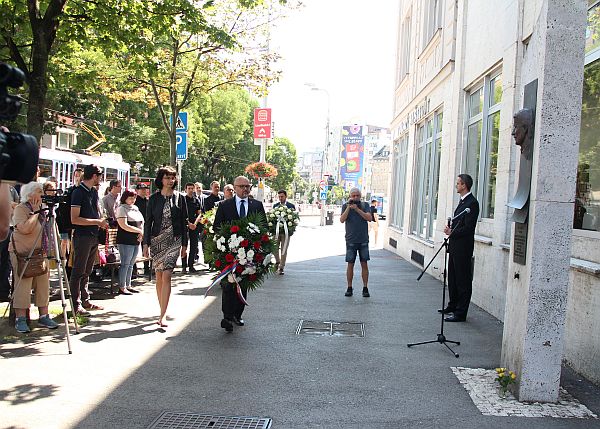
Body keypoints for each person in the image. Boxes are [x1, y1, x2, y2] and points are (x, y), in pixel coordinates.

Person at [213, 176, 266, 332]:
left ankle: (237, 314)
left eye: (247, 186)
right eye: (242, 186)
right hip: (229, 254)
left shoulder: (256, 205)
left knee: (243, 284)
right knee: (228, 285)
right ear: (234, 188)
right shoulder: (225, 205)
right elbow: (217, 227)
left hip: (250, 253)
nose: (245, 189)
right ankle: (227, 317)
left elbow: (263, 227)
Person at [9, 181, 59, 333]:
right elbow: (24, 229)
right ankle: (21, 319)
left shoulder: (44, 209)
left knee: (43, 285)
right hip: (23, 254)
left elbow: (51, 229)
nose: (42, 195)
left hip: (40, 253)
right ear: (29, 195)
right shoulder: (20, 209)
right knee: (23, 285)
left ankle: (44, 316)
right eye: (39, 192)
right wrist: (36, 212)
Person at [143, 166, 188, 327]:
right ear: (161, 179)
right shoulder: (153, 199)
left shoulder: (180, 198)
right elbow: (148, 222)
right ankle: (162, 308)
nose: (170, 180)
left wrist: (184, 244)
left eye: (172, 177)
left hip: (174, 239)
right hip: (157, 240)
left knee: (167, 274)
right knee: (159, 276)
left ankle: (163, 315)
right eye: (167, 177)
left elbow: (184, 222)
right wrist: (146, 243)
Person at [70, 164, 108, 316]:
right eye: (99, 176)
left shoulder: (93, 192)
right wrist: (97, 222)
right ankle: (75, 304)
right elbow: (74, 219)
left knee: (87, 271)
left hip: (93, 236)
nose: (100, 179)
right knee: (78, 271)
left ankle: (85, 299)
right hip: (82, 236)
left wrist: (100, 221)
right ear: (94, 176)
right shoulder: (78, 192)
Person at [441, 174, 480, 322]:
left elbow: (469, 228)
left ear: (464, 185)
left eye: (458, 183)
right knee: (452, 277)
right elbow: (459, 223)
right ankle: (453, 305)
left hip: (463, 248)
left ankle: (461, 312)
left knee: (463, 279)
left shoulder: (472, 203)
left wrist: (453, 232)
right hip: (455, 246)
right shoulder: (463, 202)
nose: (456, 185)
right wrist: (450, 228)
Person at [340, 188, 373, 298]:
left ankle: (365, 287)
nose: (355, 198)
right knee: (350, 264)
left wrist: (358, 210)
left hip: (363, 239)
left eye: (357, 195)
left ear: (360, 196)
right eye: (353, 196)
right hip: (351, 240)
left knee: (364, 263)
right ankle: (349, 287)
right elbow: (342, 219)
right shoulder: (346, 206)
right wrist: (349, 208)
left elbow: (369, 218)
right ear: (350, 196)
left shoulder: (365, 205)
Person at [115, 189, 144, 295]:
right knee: (125, 263)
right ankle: (122, 286)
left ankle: (128, 284)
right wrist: (138, 231)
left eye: (134, 198)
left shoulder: (135, 208)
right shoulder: (121, 208)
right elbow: (123, 225)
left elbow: (142, 222)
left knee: (131, 263)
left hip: (135, 239)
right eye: (130, 198)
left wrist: (141, 233)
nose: (132, 200)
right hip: (125, 239)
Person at [57, 168, 82, 261]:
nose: (77, 177)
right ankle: (64, 259)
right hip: (70, 221)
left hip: (79, 223)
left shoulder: (84, 190)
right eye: (76, 175)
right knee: (66, 242)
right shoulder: (70, 190)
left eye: (79, 175)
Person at [0, 184, 19, 301]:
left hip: (9, 228)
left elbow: (18, 206)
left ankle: (3, 291)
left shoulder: (11, 189)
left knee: (7, 262)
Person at [273, 189, 296, 275]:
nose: (280, 198)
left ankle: (281, 267)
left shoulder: (291, 206)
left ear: (286, 196)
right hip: (276, 231)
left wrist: (290, 229)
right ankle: (277, 261)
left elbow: (294, 219)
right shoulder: (275, 206)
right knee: (274, 247)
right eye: (279, 197)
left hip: (286, 232)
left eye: (282, 196)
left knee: (284, 249)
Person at [182, 182, 202, 273]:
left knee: (193, 246)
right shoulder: (183, 200)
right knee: (184, 246)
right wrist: (189, 223)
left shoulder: (196, 200)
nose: (190, 190)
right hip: (185, 225)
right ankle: (184, 266)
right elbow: (181, 214)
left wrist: (195, 224)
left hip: (194, 225)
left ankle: (191, 265)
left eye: (192, 188)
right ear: (185, 189)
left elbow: (200, 213)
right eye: (188, 188)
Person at [134, 183, 150, 275]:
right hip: (137, 227)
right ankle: (134, 269)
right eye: (142, 189)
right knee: (135, 248)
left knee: (146, 246)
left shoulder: (148, 200)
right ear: (137, 190)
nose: (144, 191)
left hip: (147, 227)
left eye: (145, 189)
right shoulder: (135, 201)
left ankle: (146, 267)